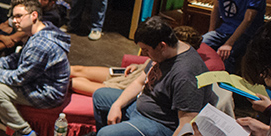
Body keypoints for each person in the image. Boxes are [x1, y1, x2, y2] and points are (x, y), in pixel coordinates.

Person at [92, 17, 213, 136]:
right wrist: (117, 105)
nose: (144, 55)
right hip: (143, 108)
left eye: (146, 50)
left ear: (162, 45)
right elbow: (139, 82)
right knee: (100, 97)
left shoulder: (185, 74)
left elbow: (187, 124)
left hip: (160, 126)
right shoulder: (165, 53)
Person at [0, 0, 72, 136]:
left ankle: (26, 134)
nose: (14, 21)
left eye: (18, 16)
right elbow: (18, 58)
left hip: (48, 94)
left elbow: (19, 78)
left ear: (34, 15)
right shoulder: (42, 29)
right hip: (41, 82)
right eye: (13, 17)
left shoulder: (40, 44)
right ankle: (3, 109)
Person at [70, 26, 218, 96]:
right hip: (130, 74)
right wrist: (138, 65)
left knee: (74, 82)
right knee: (78, 69)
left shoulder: (182, 68)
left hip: (126, 89)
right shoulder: (161, 52)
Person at [202, 0, 266, 73]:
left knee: (227, 55)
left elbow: (248, 20)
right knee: (200, 45)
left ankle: (225, 85)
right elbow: (216, 8)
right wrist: (211, 31)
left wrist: (228, 44)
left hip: (247, 34)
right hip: (224, 30)